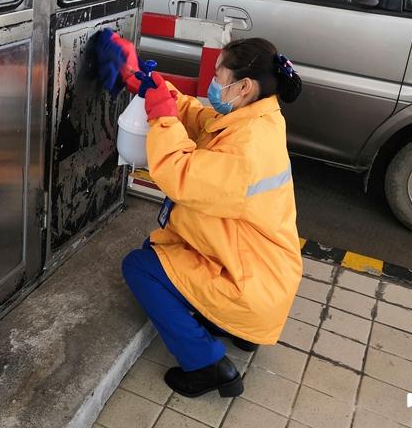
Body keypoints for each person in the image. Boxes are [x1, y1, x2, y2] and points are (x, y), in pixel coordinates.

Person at [96, 30, 304, 398]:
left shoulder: (247, 150)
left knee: (142, 266)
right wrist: (151, 87)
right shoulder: (258, 119)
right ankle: (238, 331)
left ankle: (207, 365)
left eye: (219, 76)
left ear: (244, 87)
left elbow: (179, 174)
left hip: (248, 286)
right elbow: (202, 119)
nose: (213, 83)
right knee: (163, 251)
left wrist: (161, 118)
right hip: (267, 275)